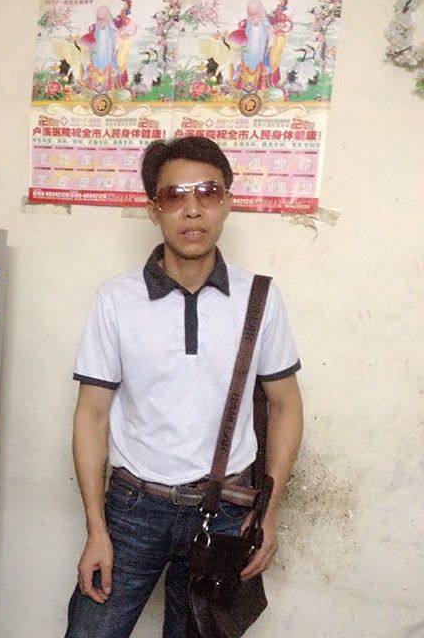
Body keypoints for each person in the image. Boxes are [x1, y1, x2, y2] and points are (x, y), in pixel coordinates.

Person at [65, 136, 303, 638]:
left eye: (208, 192)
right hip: (133, 510)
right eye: (174, 195)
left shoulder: (259, 297)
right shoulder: (116, 300)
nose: (192, 210)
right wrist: (96, 529)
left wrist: (269, 513)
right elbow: (91, 415)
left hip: (226, 511)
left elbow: (285, 406)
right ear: (153, 209)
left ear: (228, 201)